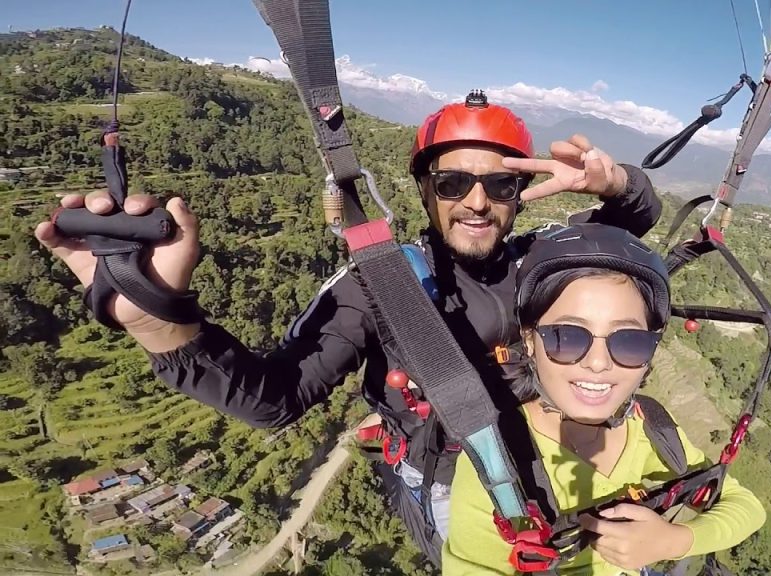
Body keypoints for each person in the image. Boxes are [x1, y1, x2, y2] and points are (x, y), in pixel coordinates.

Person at [33, 91, 663, 565]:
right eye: (452, 182)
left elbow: (627, 229)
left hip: (552, 460)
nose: (476, 201)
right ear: (424, 189)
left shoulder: (542, 258)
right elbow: (274, 398)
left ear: (519, 192)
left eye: (499, 183)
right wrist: (157, 321)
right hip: (449, 478)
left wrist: (619, 185)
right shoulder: (380, 289)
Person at [442, 222, 766, 575]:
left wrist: (673, 540)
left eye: (628, 340)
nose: (598, 363)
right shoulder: (497, 465)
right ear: (531, 340)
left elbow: (745, 505)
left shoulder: (648, 427)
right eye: (566, 336)